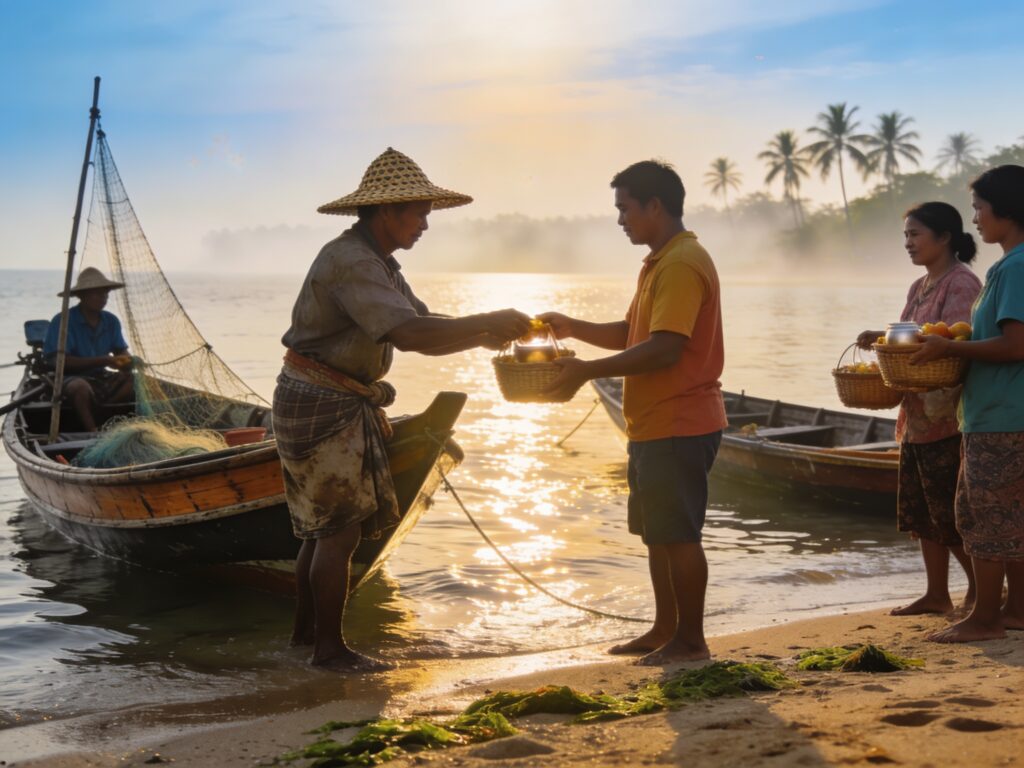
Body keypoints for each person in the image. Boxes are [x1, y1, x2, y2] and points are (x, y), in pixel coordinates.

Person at [273, 147, 531, 671]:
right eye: (419, 215)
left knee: (320, 529)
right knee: (337, 530)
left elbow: (420, 327)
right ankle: (329, 651)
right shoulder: (350, 260)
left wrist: (482, 335)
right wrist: (488, 316)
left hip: (329, 397)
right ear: (386, 212)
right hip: (322, 401)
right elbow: (410, 334)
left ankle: (307, 641)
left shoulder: (379, 263)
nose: (424, 226)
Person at [539, 160, 727, 665]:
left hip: (679, 420)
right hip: (652, 423)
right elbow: (633, 334)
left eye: (625, 208)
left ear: (655, 206)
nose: (620, 219)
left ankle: (690, 640)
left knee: (679, 534)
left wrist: (586, 371)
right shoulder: (659, 262)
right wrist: (572, 326)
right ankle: (665, 629)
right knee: (657, 533)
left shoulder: (683, 263)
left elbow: (666, 348)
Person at [911, 165, 1024, 643]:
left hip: (1001, 413)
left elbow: (1015, 344)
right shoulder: (1009, 264)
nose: (974, 218)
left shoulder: (1016, 267)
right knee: (1010, 515)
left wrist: (951, 348)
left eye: (979, 207)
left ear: (1006, 209)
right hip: (997, 411)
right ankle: (1015, 609)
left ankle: (985, 619)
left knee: (982, 516)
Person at [856, 202, 981, 616]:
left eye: (915, 235)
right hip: (916, 412)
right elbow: (910, 336)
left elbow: (954, 343)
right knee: (923, 513)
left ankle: (983, 589)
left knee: (949, 512)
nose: (908, 243)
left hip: (946, 415)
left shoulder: (960, 283)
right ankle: (936, 594)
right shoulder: (920, 285)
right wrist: (881, 335)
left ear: (944, 237)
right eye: (905, 236)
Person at [43, 267, 134, 432]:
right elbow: (59, 362)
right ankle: (92, 430)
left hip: (99, 377)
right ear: (82, 296)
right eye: (97, 293)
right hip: (68, 378)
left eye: (105, 293)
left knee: (133, 380)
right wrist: (105, 360)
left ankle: (102, 414)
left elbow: (121, 350)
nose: (103, 298)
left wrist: (127, 361)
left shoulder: (111, 321)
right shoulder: (63, 321)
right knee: (80, 387)